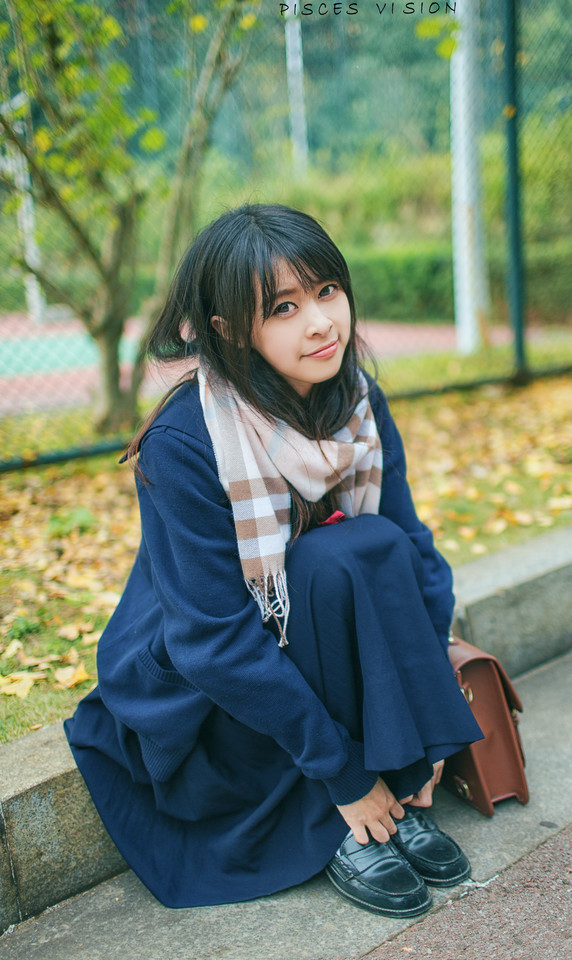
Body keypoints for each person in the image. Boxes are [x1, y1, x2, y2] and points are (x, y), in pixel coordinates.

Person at [65, 203, 482, 919]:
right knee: (339, 558)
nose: (320, 323)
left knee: (366, 545)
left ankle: (386, 780)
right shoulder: (185, 444)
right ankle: (343, 813)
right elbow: (215, 643)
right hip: (207, 685)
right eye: (283, 308)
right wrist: (343, 777)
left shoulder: (352, 400)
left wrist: (424, 711)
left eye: (326, 291)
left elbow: (412, 553)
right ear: (227, 328)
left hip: (303, 637)